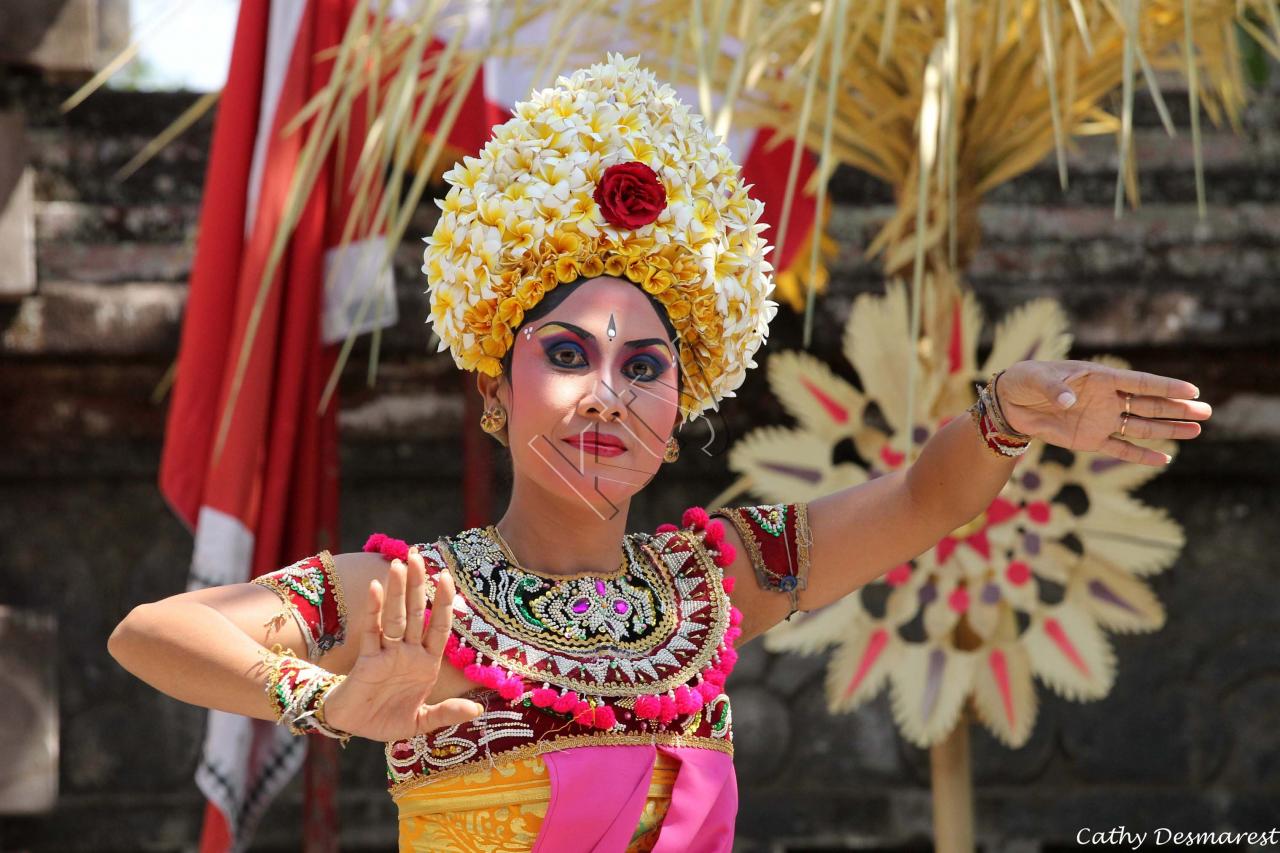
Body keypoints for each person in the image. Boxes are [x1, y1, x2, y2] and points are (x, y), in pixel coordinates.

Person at [108, 54, 1213, 852]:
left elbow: (925, 499)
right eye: (567, 354)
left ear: (681, 403)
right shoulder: (417, 600)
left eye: (643, 366)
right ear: (496, 391)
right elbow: (154, 632)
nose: (606, 394)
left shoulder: (718, 580)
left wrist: (1010, 413)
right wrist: (321, 702)